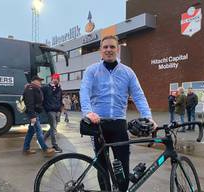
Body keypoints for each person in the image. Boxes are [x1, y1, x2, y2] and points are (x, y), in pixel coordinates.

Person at [80, 35, 157, 192]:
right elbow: (84, 91)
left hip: (119, 124)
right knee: (101, 167)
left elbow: (138, 95)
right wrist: (88, 112)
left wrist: (148, 117)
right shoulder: (92, 70)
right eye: (105, 47)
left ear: (117, 49)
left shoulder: (128, 72)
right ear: (101, 51)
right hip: (97, 124)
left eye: (112, 47)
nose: (109, 50)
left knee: (122, 164)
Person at [22, 75, 55, 157]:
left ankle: (26, 149)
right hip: (33, 114)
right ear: (34, 81)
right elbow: (29, 103)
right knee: (39, 131)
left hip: (34, 113)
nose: (40, 82)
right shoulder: (30, 89)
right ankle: (45, 149)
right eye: (39, 80)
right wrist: (32, 116)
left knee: (31, 131)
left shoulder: (35, 88)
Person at [42, 73, 63, 153]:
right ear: (52, 79)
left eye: (57, 79)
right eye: (54, 78)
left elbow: (60, 100)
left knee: (52, 128)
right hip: (50, 111)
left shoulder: (59, 89)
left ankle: (42, 140)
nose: (55, 80)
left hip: (57, 111)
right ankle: (54, 144)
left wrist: (60, 111)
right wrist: (45, 108)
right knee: (54, 128)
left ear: (58, 80)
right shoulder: (46, 88)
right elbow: (40, 95)